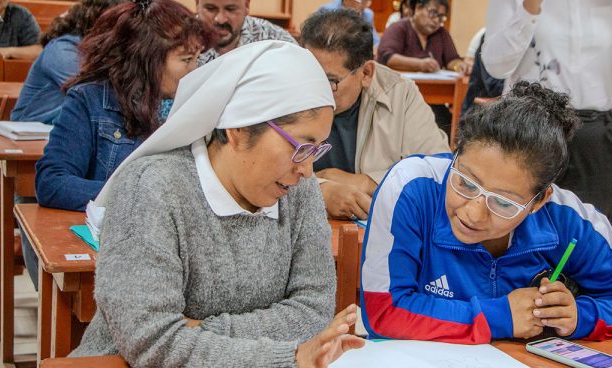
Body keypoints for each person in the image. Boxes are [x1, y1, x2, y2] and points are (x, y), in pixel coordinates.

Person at [70, 41, 366, 368]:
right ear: (238, 130)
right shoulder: (152, 189)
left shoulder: (298, 191)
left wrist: (197, 329)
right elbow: (149, 341)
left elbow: (313, 313)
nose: (308, 168)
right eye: (301, 146)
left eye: (317, 149)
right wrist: (284, 359)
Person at [360, 81, 612, 343]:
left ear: (539, 201)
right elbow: (383, 311)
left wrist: (579, 316)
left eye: (503, 203)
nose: (474, 213)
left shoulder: (565, 217)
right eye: (465, 182)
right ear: (456, 154)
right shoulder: (413, 188)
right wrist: (499, 317)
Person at [482, 0, 612, 218]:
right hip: (529, 127)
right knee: (516, 226)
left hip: (593, 133)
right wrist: (529, 8)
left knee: (584, 233)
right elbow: (495, 65)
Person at [35, 0, 215, 212]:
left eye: (196, 58)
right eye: (186, 60)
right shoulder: (89, 100)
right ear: (148, 59)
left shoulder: (194, 105)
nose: (195, 70)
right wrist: (138, 196)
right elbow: (52, 183)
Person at [300, 9, 449, 220]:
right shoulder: (289, 87)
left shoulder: (399, 93)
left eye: (330, 81)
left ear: (366, 73)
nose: (315, 90)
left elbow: (438, 172)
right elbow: (256, 167)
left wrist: (367, 182)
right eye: (309, 74)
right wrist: (319, 190)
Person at [11, 0, 125, 124]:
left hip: (65, 128)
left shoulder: (105, 51)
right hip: (29, 131)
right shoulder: (62, 49)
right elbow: (92, 94)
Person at [376, 0, 468, 74]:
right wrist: (420, 64)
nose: (436, 20)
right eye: (433, 13)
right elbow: (387, 58)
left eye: (441, 17)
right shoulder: (398, 28)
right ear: (417, 8)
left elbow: (451, 60)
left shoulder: (441, 33)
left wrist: (459, 66)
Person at [196, 0, 295, 65]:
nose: (220, 19)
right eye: (210, 9)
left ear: (247, 6)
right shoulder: (182, 40)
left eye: (230, 9)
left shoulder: (275, 39)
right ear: (197, 4)